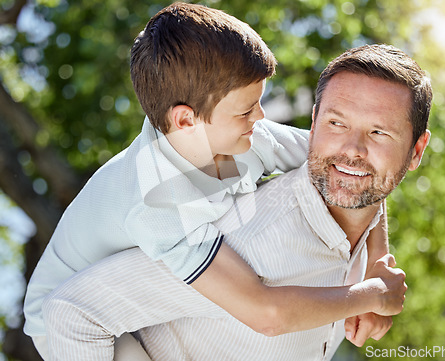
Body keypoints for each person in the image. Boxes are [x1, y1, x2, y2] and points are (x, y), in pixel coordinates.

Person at [23, 3, 390, 359]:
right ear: (186, 120)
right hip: (69, 326)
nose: (261, 117)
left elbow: (352, 171)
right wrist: (373, 294)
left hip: (140, 285)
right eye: (246, 109)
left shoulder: (244, 134)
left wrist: (378, 260)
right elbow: (264, 312)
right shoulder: (160, 203)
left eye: (258, 103)